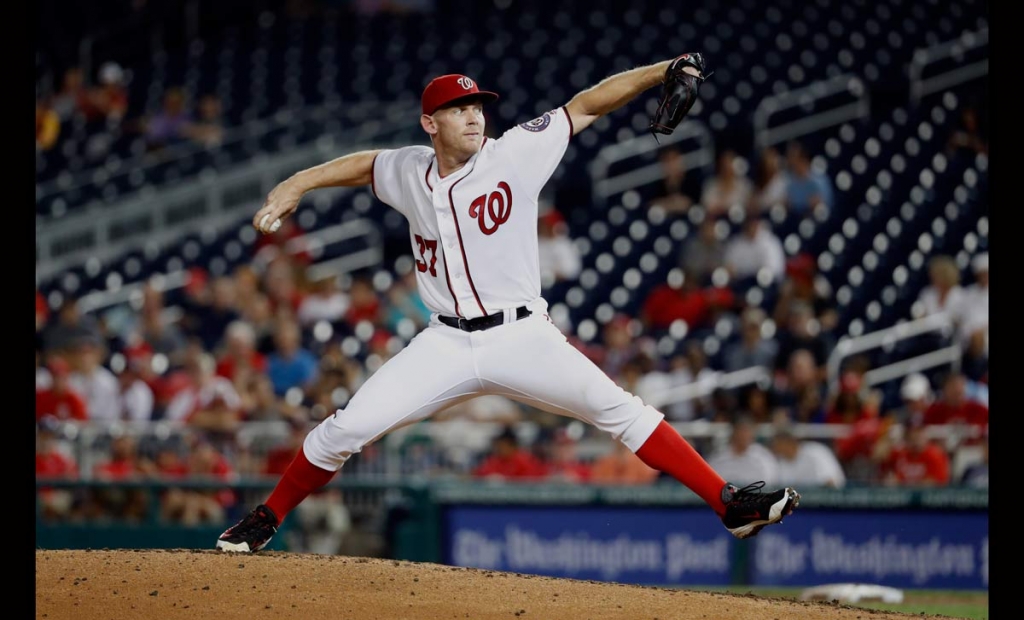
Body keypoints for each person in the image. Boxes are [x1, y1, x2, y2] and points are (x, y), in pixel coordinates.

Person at [216, 58, 800, 553]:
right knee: (344, 430)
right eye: (458, 109)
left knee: (621, 410)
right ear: (431, 123)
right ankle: (266, 520)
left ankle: (727, 503)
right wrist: (296, 183)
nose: (474, 115)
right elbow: (363, 163)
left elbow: (587, 105)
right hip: (444, 342)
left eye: (478, 106)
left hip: (522, 336)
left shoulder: (515, 152)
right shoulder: (408, 169)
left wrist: (666, 71)